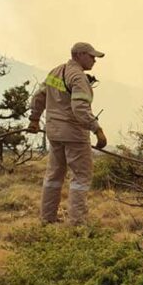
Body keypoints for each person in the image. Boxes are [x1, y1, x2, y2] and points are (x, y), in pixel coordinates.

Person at [27, 42, 108, 225]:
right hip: (74, 135)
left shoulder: (55, 72)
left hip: (54, 133)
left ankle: (47, 219)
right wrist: (97, 129)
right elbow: (80, 108)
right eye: (91, 56)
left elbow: (39, 97)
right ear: (79, 55)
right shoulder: (78, 78)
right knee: (80, 178)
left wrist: (34, 119)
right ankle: (77, 224)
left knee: (54, 176)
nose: (94, 60)